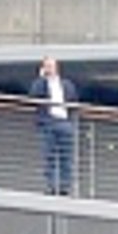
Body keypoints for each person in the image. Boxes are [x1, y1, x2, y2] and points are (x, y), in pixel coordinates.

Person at [29, 56, 77, 196]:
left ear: (56, 68)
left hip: (64, 122)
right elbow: (33, 97)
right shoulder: (41, 84)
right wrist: (41, 78)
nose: (49, 69)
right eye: (47, 66)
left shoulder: (66, 84)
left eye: (51, 66)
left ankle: (64, 187)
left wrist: (70, 120)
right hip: (48, 122)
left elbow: (73, 100)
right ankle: (51, 186)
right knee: (49, 156)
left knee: (66, 157)